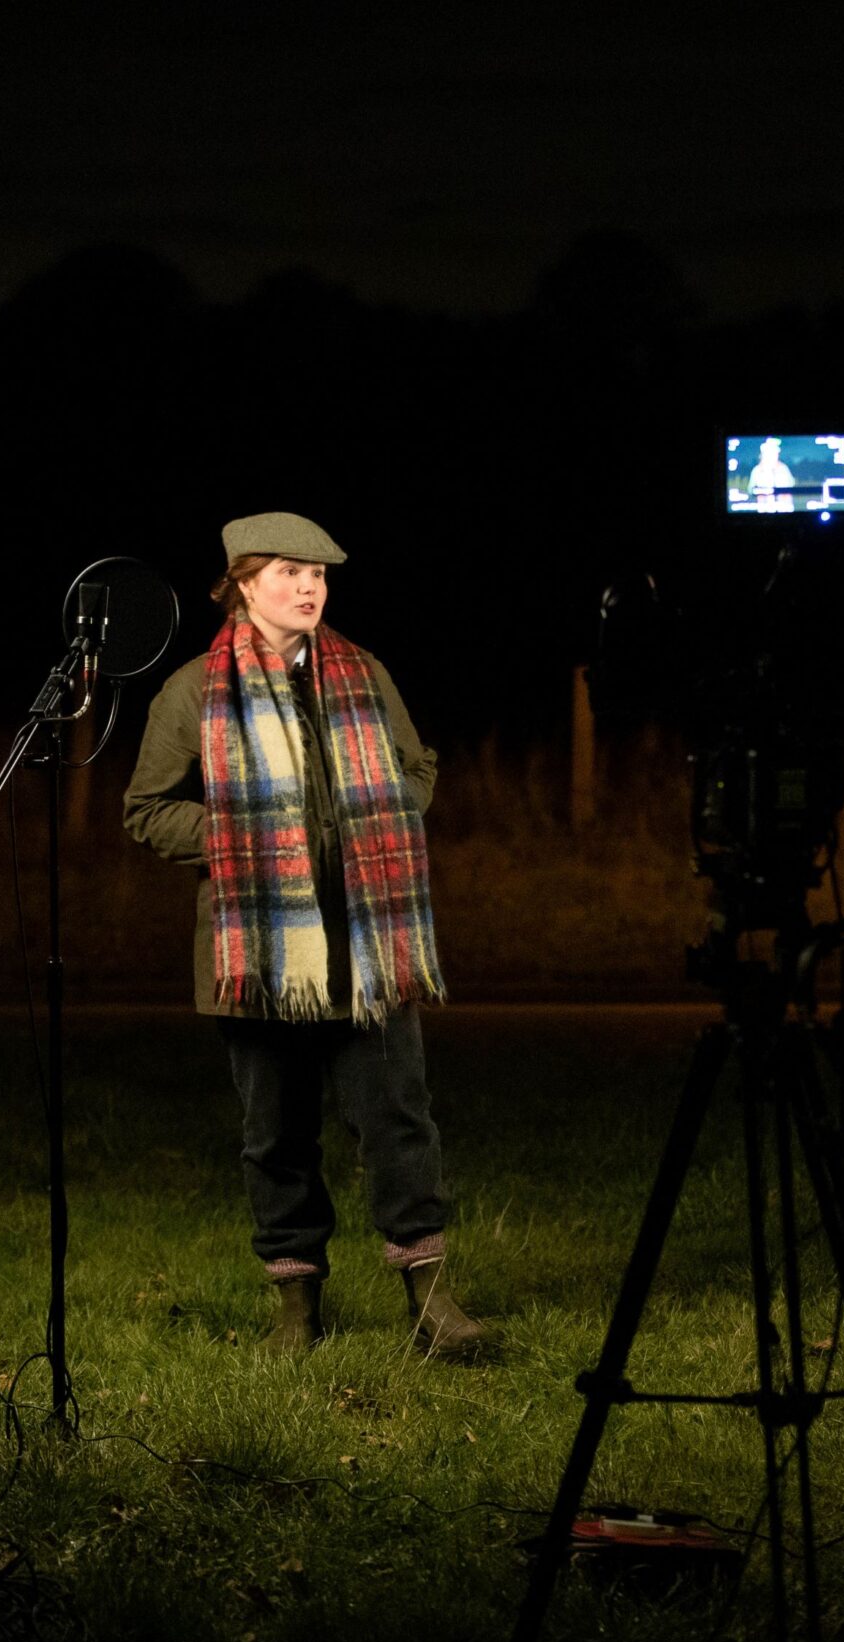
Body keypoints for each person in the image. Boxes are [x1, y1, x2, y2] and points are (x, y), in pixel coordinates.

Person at [123, 510, 483, 1356]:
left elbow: (417, 762)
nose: (309, 586)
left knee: (398, 1119)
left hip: (368, 942)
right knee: (276, 1134)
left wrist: (391, 808)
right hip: (260, 952)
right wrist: (237, 836)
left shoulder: (361, 673)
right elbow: (146, 808)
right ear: (243, 583)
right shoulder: (192, 690)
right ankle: (297, 1311)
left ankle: (430, 1302)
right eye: (288, 571)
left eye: (319, 573)